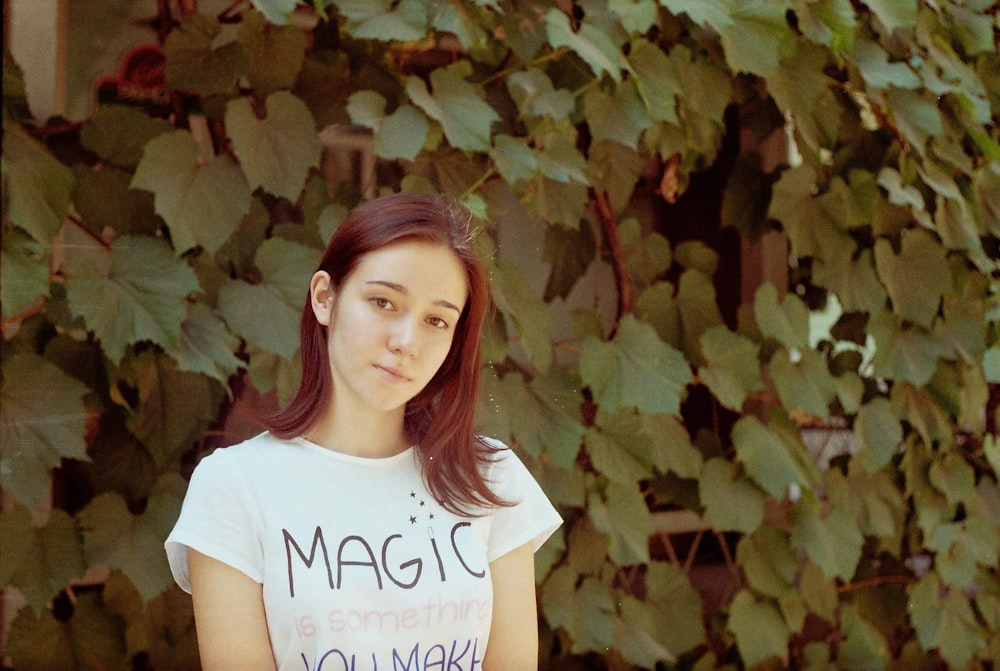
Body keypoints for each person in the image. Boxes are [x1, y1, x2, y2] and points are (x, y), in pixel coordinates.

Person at [165, 192, 562, 671]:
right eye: (383, 302)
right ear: (324, 298)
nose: (406, 342)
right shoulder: (235, 487)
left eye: (437, 320)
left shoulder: (489, 476)